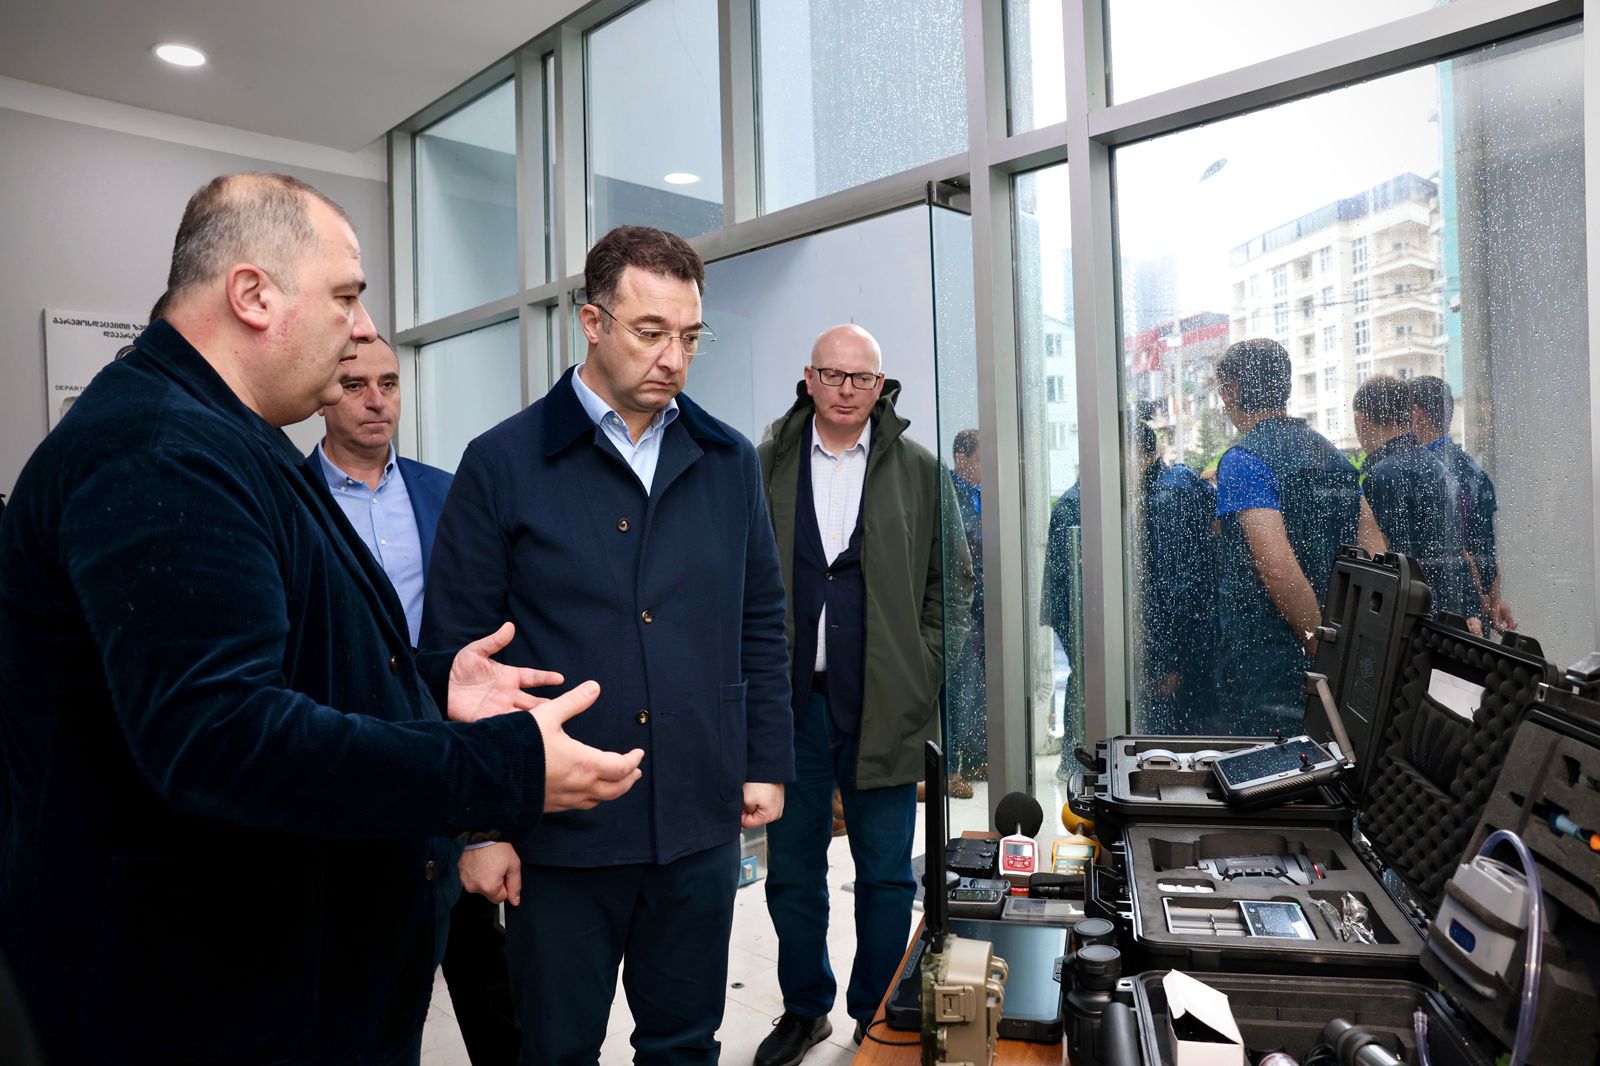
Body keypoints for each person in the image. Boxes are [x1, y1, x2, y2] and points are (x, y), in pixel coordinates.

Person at [0, 172, 643, 1065]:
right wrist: (507, 765)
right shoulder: (161, 450)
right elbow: (223, 737)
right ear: (253, 294)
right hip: (193, 1004)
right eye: (345, 296)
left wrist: (426, 685)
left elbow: (282, 660)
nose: (363, 329)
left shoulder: (226, 434)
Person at [421, 225, 793, 1065]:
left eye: (689, 336)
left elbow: (761, 619)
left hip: (696, 817)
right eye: (650, 331)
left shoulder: (728, 459)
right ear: (591, 322)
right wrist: (479, 830)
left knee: (685, 1045)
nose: (673, 358)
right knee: (555, 1050)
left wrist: (764, 759)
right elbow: (458, 658)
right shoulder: (501, 463)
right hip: (560, 828)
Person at [754, 324, 974, 1065]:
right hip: (789, 707)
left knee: (884, 874)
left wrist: (923, 667)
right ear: (809, 378)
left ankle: (873, 1012)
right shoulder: (766, 466)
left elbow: (953, 584)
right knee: (793, 872)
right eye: (833, 374)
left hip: (885, 705)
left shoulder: (919, 471)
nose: (847, 389)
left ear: (881, 386)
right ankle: (804, 1009)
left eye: (862, 378)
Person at [309, 335, 520, 1065]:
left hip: (446, 749)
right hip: (345, 754)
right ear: (323, 394)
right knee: (362, 972)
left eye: (390, 383)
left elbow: (482, 628)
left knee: (481, 964)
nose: (377, 400)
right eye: (355, 385)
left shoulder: (448, 492)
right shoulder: (291, 499)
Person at [1212, 338, 1386, 736]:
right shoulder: (1334, 457)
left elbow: (1277, 568)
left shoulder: (1244, 460)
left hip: (1270, 662)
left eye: (1222, 390)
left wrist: (1318, 645)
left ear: (1231, 391)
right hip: (1341, 644)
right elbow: (1376, 552)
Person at [1353, 375, 1479, 626]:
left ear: (1360, 419)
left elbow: (1393, 561)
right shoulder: (1435, 464)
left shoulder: (1382, 475)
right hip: (1449, 608)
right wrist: (1470, 611)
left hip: (1415, 616)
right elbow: (1457, 548)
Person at [1130, 420, 1221, 734]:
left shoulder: (1166, 494)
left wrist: (1167, 663)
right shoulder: (1173, 482)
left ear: (1142, 456)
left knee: (1172, 741)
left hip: (1183, 650)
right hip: (1197, 641)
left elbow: (1176, 585)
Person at [1410, 375, 1515, 631]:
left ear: (1416, 415)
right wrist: (1492, 602)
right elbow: (1485, 547)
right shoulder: (1474, 471)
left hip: (1439, 607)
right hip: (1475, 615)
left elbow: (1460, 548)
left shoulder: (1420, 474)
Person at [946, 428, 985, 793]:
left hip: (986, 609)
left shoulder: (984, 495)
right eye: (981, 457)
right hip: (960, 608)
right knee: (960, 690)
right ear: (962, 459)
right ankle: (948, 770)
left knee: (981, 689)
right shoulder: (947, 492)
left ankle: (975, 758)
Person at [1042, 480, 1083, 779]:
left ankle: (1074, 758)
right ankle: (1071, 759)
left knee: (1082, 678)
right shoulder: (1072, 504)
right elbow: (1065, 568)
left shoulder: (1081, 500)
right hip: (1071, 609)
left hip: (1076, 607)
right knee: (1082, 678)